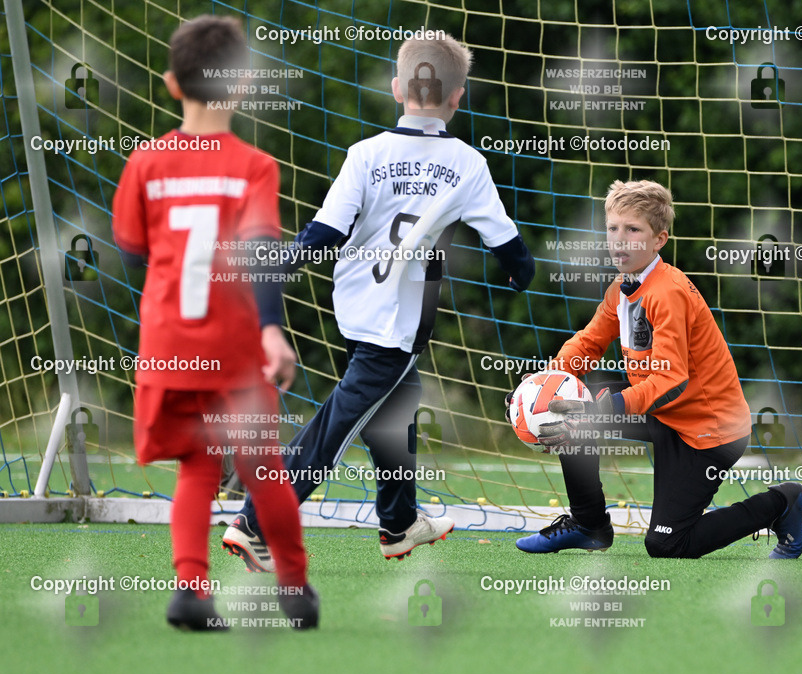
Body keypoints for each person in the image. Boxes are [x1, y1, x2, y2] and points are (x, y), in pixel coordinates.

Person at [223, 30, 535, 567]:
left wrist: (275, 264)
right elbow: (509, 246)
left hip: (355, 308)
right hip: (399, 323)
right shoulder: (467, 163)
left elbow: (323, 235)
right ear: (458, 95)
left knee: (395, 414)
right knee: (337, 423)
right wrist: (520, 275)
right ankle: (256, 521)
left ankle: (399, 523)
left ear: (397, 88)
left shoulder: (365, 153)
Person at [112, 15, 318, 630]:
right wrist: (271, 329)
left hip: (171, 341)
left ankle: (191, 591)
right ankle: (294, 590)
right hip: (231, 346)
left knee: (197, 463)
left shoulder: (146, 162)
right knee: (261, 462)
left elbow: (129, 249)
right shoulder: (252, 166)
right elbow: (260, 254)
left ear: (173, 84)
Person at [512, 180, 802, 559]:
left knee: (667, 544)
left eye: (633, 230)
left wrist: (603, 410)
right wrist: (538, 389)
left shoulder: (667, 293)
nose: (620, 239)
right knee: (566, 407)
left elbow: (671, 381)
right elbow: (587, 344)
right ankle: (590, 526)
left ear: (659, 239)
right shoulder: (622, 288)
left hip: (707, 432)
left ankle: (782, 502)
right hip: (660, 412)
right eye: (612, 228)